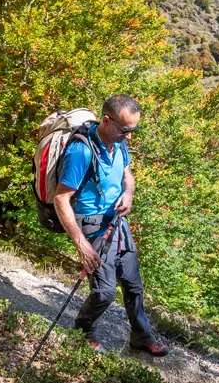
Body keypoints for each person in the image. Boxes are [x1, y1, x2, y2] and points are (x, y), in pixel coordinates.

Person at [53, 94, 169, 356]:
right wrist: (81, 244)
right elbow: (60, 198)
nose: (129, 136)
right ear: (107, 120)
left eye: (133, 130)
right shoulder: (81, 151)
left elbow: (128, 176)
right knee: (104, 292)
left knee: (133, 284)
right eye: (125, 129)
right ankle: (83, 329)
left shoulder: (119, 144)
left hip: (118, 223)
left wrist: (128, 194)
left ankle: (141, 337)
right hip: (92, 227)